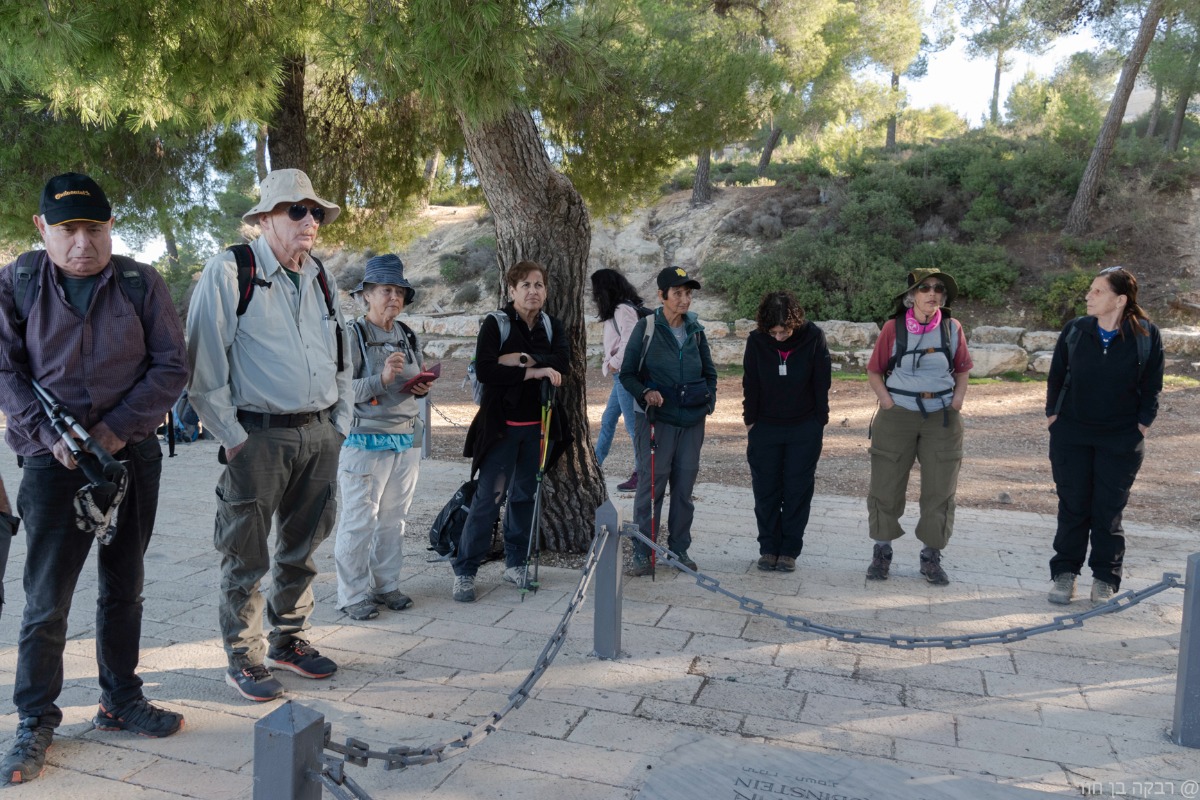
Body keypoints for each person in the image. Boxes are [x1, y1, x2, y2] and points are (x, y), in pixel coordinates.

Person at [0, 173, 189, 785]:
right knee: (46, 599)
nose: (83, 242)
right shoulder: (18, 282)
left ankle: (120, 699)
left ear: (111, 227)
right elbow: (4, 369)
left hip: (128, 457)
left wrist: (111, 433)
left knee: (124, 586)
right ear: (42, 230)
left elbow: (170, 367)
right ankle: (34, 719)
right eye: (68, 229)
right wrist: (50, 436)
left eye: (95, 228)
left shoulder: (141, 283)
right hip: (51, 465)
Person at [187, 168, 352, 701]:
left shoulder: (320, 275)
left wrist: (340, 424)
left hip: (319, 433)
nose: (310, 221)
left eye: (316, 212)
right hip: (257, 437)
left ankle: (289, 640)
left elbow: (343, 358)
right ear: (264, 219)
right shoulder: (231, 271)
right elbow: (203, 364)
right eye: (295, 210)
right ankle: (244, 655)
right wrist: (232, 436)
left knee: (303, 547)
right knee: (246, 553)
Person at [452, 261, 570, 603]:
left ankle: (516, 563)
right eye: (526, 285)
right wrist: (534, 371)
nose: (534, 291)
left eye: (539, 285)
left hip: (539, 428)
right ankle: (465, 571)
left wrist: (520, 358)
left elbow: (563, 362)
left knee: (525, 498)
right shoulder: (496, 323)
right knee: (488, 499)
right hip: (501, 429)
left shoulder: (551, 325)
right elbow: (487, 369)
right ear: (512, 291)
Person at [1045, 266, 1164, 605]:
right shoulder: (1075, 330)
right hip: (1071, 434)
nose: (1089, 296)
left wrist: (1143, 423)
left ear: (1120, 299)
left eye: (1098, 291)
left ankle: (1104, 578)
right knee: (1073, 505)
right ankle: (1064, 574)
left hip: (1121, 438)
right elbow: (1056, 376)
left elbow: (1152, 385)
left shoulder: (1145, 336)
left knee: (1108, 510)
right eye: (1090, 290)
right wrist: (1053, 415)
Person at [335, 254, 432, 621]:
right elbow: (342, 390)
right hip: (364, 443)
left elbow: (414, 382)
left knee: (394, 519)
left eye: (399, 291)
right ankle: (351, 595)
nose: (394, 297)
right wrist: (382, 381)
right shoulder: (353, 335)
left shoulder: (407, 334)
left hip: (405, 440)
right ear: (366, 296)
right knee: (360, 521)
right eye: (386, 290)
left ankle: (386, 586)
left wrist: (419, 387)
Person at [864, 268, 972, 586]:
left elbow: (963, 369)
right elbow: (874, 371)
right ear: (912, 295)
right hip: (897, 415)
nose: (933, 293)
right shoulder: (893, 328)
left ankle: (931, 556)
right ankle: (882, 552)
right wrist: (886, 401)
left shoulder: (952, 328)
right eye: (925, 288)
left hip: (942, 418)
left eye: (939, 288)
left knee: (940, 490)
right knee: (885, 485)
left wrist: (957, 401)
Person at [620, 266, 717, 576]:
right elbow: (627, 374)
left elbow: (710, 373)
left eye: (687, 293)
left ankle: (679, 549)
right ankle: (642, 553)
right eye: (678, 293)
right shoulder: (646, 328)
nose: (684, 300)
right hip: (656, 421)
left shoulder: (695, 329)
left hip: (691, 421)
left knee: (684, 488)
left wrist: (707, 404)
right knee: (651, 488)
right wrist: (646, 391)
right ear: (662, 296)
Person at [742, 291, 831, 573]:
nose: (779, 336)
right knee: (766, 490)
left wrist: (820, 420)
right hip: (765, 427)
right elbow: (750, 382)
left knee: (797, 490)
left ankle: (790, 550)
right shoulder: (757, 341)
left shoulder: (814, 337)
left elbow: (822, 381)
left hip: (804, 427)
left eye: (785, 331)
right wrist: (750, 420)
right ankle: (768, 548)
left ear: (795, 322)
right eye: (774, 331)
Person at [590, 268, 645, 491]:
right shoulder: (621, 308)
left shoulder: (623, 309)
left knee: (633, 428)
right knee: (608, 419)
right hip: (619, 375)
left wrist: (614, 363)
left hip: (624, 374)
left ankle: (642, 473)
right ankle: (595, 465)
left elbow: (629, 340)